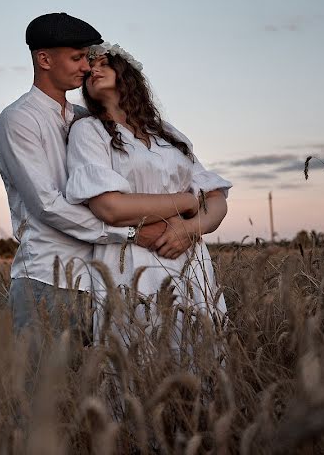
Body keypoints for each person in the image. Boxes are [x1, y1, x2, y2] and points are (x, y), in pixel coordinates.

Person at [0, 13, 167, 346]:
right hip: (48, 280)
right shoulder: (18, 120)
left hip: (106, 279)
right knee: (45, 392)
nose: (86, 66)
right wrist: (130, 233)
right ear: (44, 59)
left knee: (94, 392)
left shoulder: (85, 120)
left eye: (87, 57)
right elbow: (47, 204)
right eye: (76, 58)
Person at [64, 41, 232, 349]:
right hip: (129, 260)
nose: (93, 70)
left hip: (188, 257)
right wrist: (188, 202)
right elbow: (109, 207)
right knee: (137, 352)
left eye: (104, 63)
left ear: (127, 73)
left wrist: (189, 228)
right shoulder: (89, 131)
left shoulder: (168, 133)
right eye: (89, 68)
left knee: (198, 349)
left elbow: (218, 200)